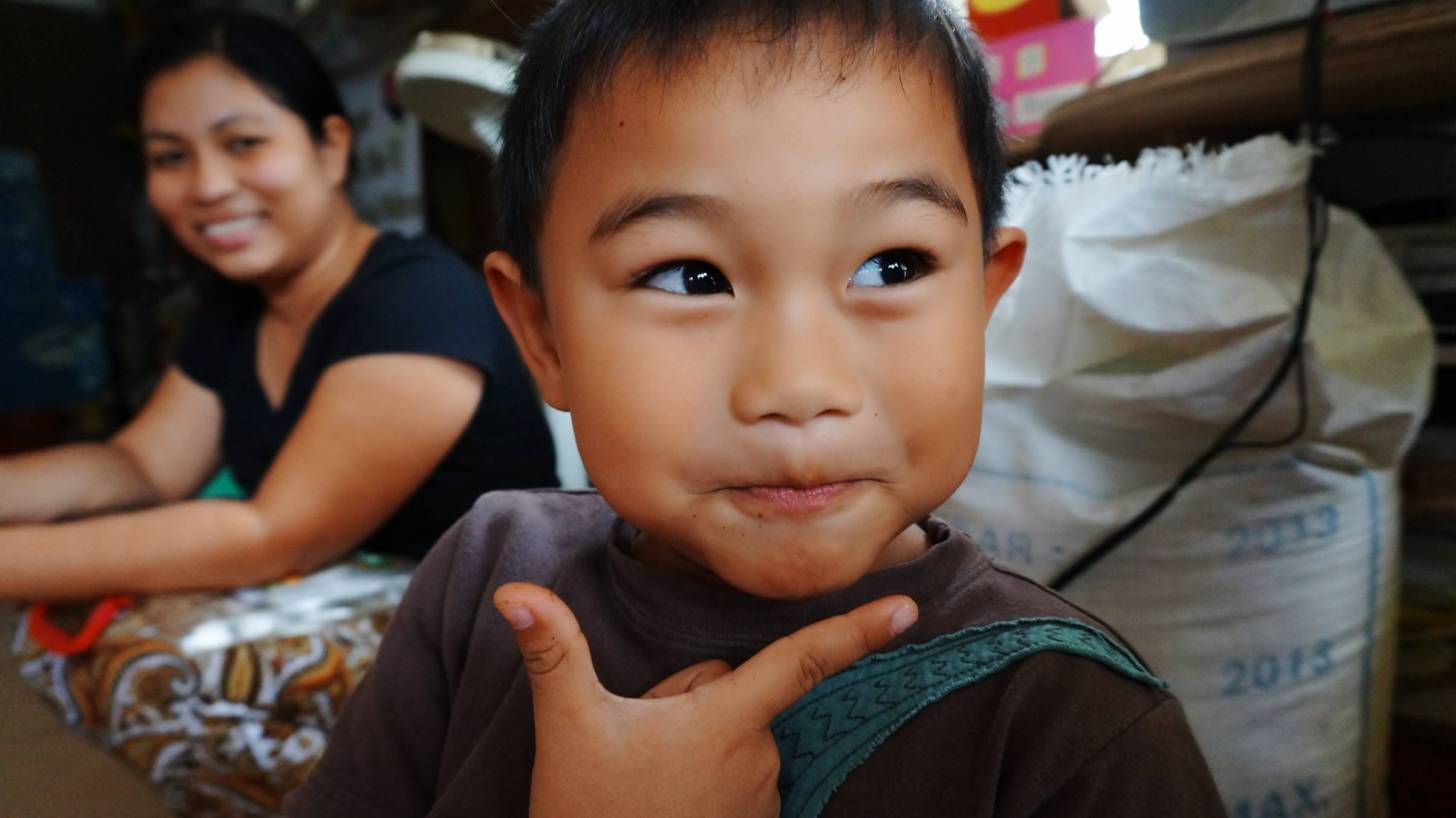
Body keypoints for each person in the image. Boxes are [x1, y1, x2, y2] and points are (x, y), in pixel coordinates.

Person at [285, 1, 1227, 816]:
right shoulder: (485, 582)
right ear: (542, 335)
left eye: (891, 266)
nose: (799, 385)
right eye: (689, 276)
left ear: (984, 300)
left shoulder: (1073, 726)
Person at [0, 10, 557, 601]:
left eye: (243, 143)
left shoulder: (422, 303)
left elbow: (273, 536)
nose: (208, 186)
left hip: (484, 643)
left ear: (331, 149)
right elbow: (142, 466)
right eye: (169, 157)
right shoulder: (238, 308)